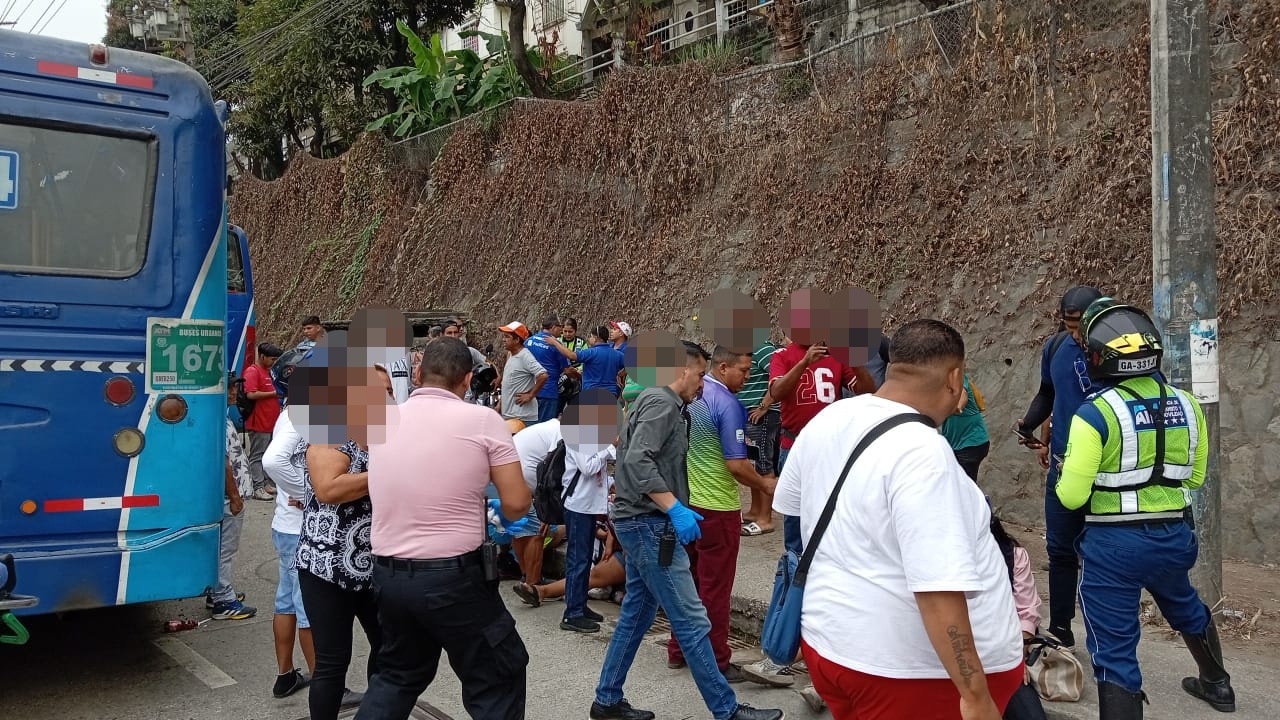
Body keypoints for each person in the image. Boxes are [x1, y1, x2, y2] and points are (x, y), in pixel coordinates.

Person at [774, 319, 1023, 719]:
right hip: (909, 673)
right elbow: (938, 586)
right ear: (954, 378)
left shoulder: (830, 419)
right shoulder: (924, 453)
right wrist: (975, 694)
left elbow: (792, 504)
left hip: (830, 643)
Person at [1056, 299, 1235, 718]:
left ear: (1099, 357)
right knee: (1185, 604)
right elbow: (1194, 478)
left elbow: (1072, 498)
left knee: (1114, 651)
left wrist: (1067, 471)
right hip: (1174, 538)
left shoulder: (1095, 414)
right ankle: (1218, 685)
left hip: (1113, 548)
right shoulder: (1188, 405)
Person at [590, 340, 782, 720]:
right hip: (648, 524)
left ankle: (607, 700)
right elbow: (638, 460)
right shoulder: (662, 403)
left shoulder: (659, 402)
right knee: (692, 619)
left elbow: (632, 453)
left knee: (637, 613)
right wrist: (674, 507)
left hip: (640, 521)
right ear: (681, 370)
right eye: (699, 375)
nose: (702, 383)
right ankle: (727, 710)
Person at [358, 337, 532, 720]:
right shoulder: (483, 420)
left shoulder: (382, 420)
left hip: (388, 575)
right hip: (453, 578)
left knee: (397, 675)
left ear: (418, 374)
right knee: (497, 676)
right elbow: (518, 502)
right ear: (468, 380)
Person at [667, 345, 775, 679]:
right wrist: (766, 484)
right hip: (718, 507)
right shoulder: (727, 403)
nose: (748, 377)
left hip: (685, 503)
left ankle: (678, 649)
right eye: (744, 371)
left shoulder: (689, 396)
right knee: (715, 588)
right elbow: (736, 464)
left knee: (687, 582)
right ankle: (716, 659)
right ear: (723, 367)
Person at [1014, 285, 1103, 648]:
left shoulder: (1115, 350)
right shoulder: (1055, 347)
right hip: (1064, 466)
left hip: (1104, 469)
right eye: (1070, 326)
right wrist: (1029, 425)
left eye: (1082, 326)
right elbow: (1049, 393)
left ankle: (1102, 631)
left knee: (1099, 551)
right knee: (1060, 550)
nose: (1076, 335)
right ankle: (1061, 628)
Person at [262, 352, 317, 699]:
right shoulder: (303, 414)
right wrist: (309, 492)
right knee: (309, 606)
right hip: (299, 528)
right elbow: (273, 461)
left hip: (287, 525)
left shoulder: (293, 411)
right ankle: (327, 686)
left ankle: (286, 675)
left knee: (287, 602)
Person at [209, 377, 257, 621]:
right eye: (228, 388)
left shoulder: (222, 416)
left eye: (235, 388)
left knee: (221, 548)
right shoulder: (217, 420)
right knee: (225, 550)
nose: (233, 393)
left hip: (228, 496)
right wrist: (235, 497)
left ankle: (216, 590)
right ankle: (223, 600)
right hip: (228, 498)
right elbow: (224, 463)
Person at [736, 337, 782, 535]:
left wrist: (764, 406)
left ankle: (765, 518)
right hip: (748, 413)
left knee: (763, 463)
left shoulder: (762, 347)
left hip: (762, 415)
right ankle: (756, 510)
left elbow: (779, 376)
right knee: (754, 462)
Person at [244, 342, 285, 500]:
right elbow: (251, 394)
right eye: (272, 359)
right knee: (257, 454)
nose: (274, 362)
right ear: (262, 356)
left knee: (268, 453)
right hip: (258, 422)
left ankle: (266, 483)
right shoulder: (252, 372)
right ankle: (257, 487)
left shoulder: (270, 372)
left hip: (271, 421)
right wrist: (274, 394)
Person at [497, 321, 549, 426]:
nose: (503, 340)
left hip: (522, 418)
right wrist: (500, 404)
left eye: (507, 337)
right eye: (503, 336)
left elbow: (543, 375)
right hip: (511, 416)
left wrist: (530, 395)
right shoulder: (511, 355)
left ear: (517, 340)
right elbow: (508, 384)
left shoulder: (525, 356)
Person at [941, 374, 990, 483]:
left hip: (971, 443)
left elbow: (962, 394)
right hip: (955, 444)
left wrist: (958, 407)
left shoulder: (957, 378)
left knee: (964, 485)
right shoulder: (938, 384)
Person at [526, 314, 571, 424]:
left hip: (529, 391)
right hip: (548, 392)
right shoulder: (556, 344)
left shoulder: (529, 341)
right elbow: (567, 369)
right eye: (560, 326)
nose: (562, 330)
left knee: (529, 427)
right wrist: (579, 376)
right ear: (554, 327)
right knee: (545, 428)